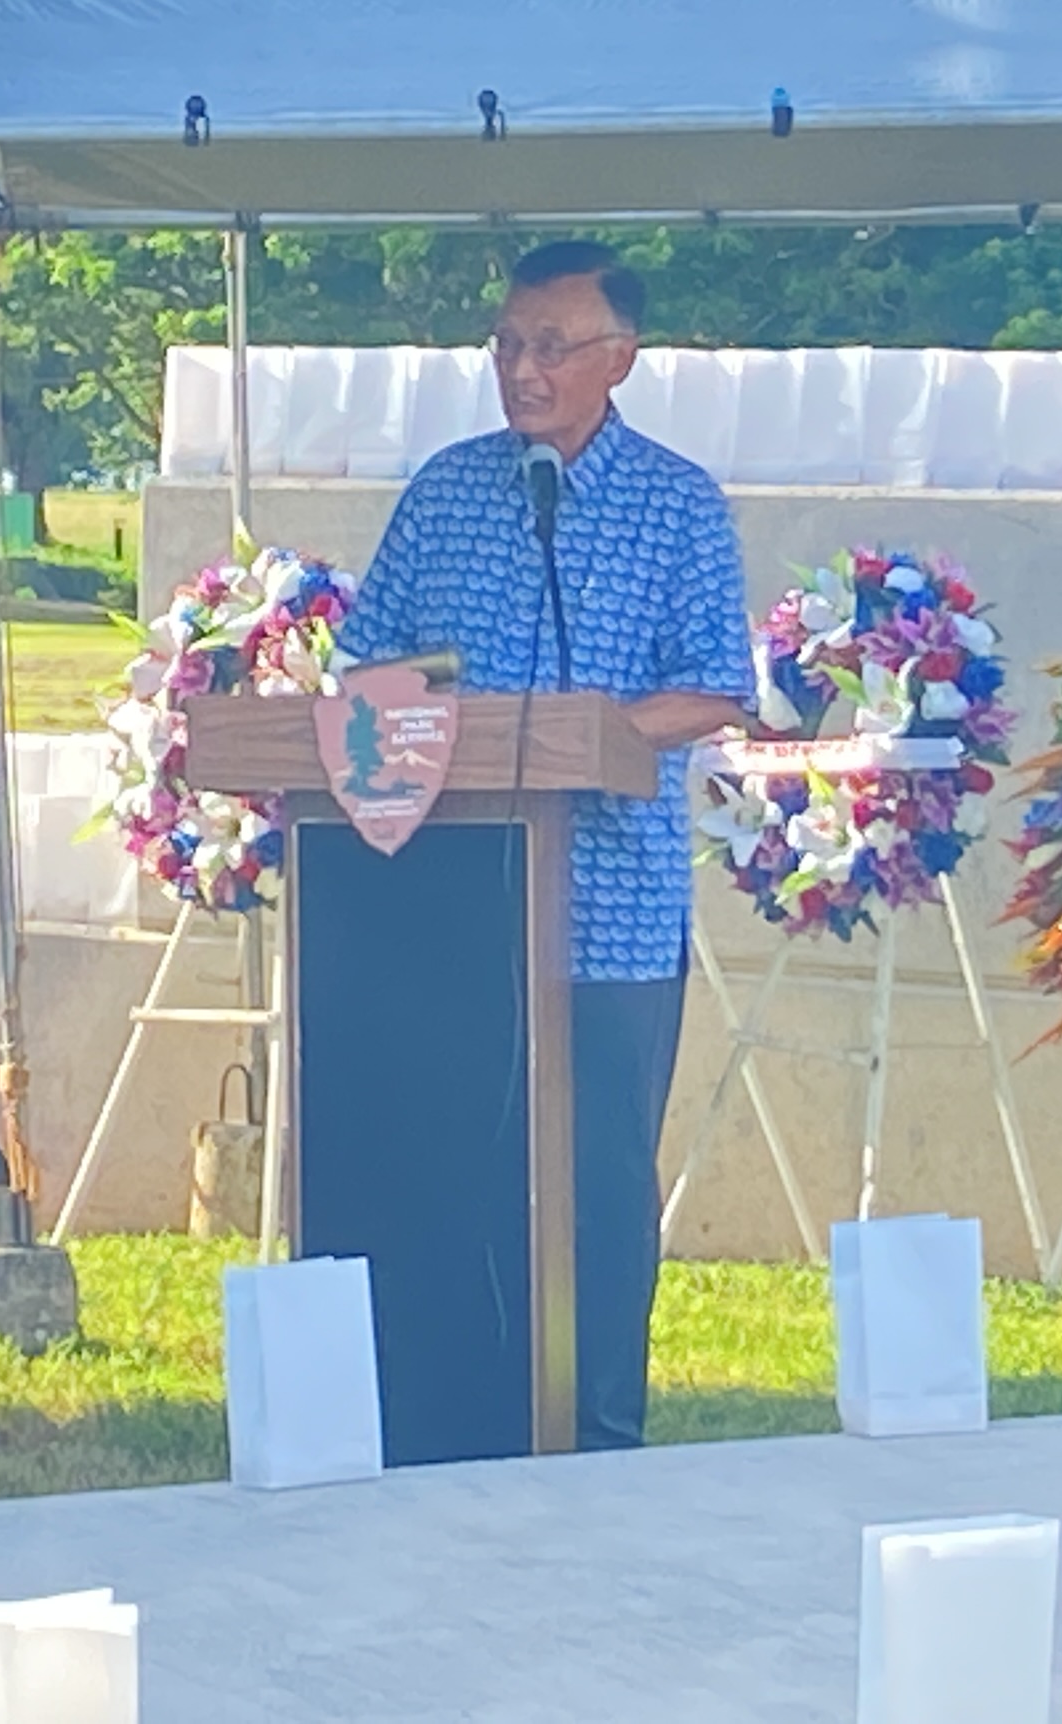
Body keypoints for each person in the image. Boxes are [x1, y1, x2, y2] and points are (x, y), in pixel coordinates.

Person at [339, 240, 753, 1451]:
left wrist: (592, 739)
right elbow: (367, 669)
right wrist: (445, 718)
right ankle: (442, 1422)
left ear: (617, 361)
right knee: (449, 1173)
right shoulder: (446, 491)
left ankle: (595, 1430)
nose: (523, 368)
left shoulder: (676, 504)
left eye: (551, 347)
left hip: (608, 919)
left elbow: (714, 687)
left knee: (596, 1193)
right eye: (508, 343)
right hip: (447, 917)